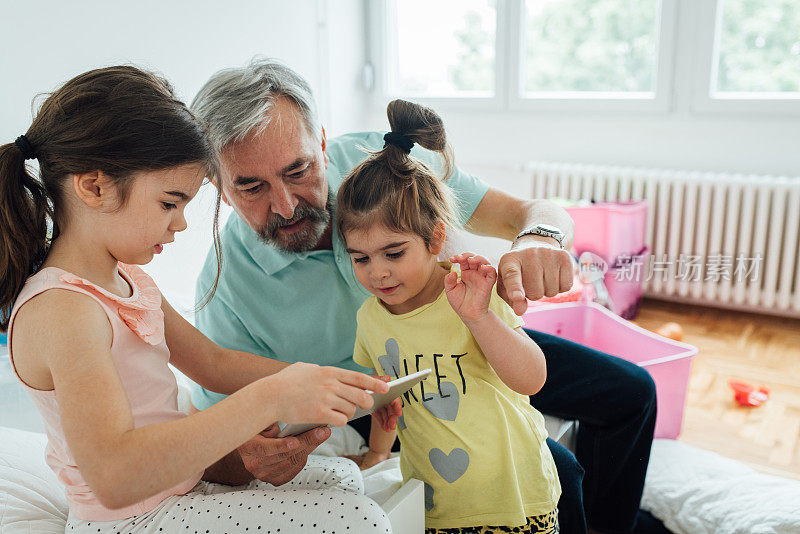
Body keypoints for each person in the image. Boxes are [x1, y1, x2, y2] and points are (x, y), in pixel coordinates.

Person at [189, 58, 657, 534]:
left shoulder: (385, 161)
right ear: (219, 186)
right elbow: (211, 442)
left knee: (633, 393)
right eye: (251, 186)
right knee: (558, 468)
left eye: (298, 170)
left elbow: (532, 212)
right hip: (388, 397)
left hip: (469, 336)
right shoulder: (225, 290)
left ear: (323, 144)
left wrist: (540, 236)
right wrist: (245, 459)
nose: (285, 205)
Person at [0, 66, 393, 534]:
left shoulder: (125, 279)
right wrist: (270, 398)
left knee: (345, 480)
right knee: (358, 518)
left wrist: (328, 383)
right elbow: (114, 477)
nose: (181, 224)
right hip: (133, 519)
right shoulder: (64, 310)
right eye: (169, 203)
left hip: (177, 490)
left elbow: (212, 362)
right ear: (95, 187)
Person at [337, 98, 561, 533]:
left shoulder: (470, 290)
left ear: (436, 238)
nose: (377, 271)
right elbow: (392, 405)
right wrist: (378, 453)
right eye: (360, 258)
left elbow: (532, 379)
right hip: (438, 507)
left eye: (394, 252)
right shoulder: (369, 318)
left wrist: (479, 318)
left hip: (515, 498)